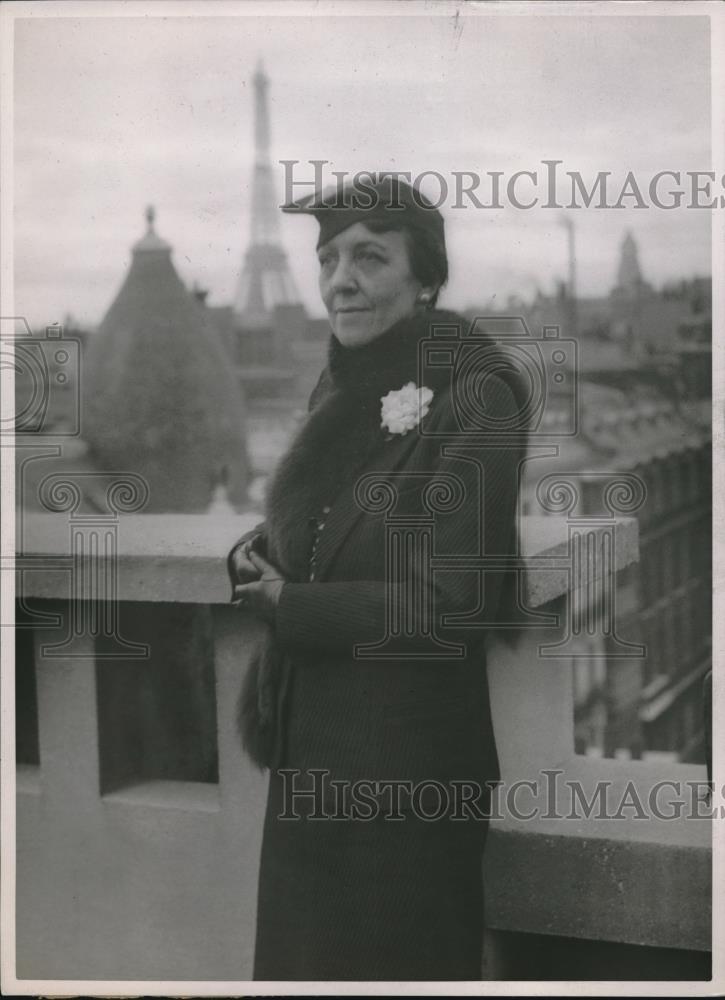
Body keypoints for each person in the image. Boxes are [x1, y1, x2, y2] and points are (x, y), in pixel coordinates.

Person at [227, 174, 528, 981]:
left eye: (368, 256)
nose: (339, 280)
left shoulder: (479, 397)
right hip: (311, 769)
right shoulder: (346, 382)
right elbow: (343, 521)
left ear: (425, 277)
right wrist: (270, 547)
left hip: (407, 787)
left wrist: (291, 606)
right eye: (328, 259)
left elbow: (450, 603)